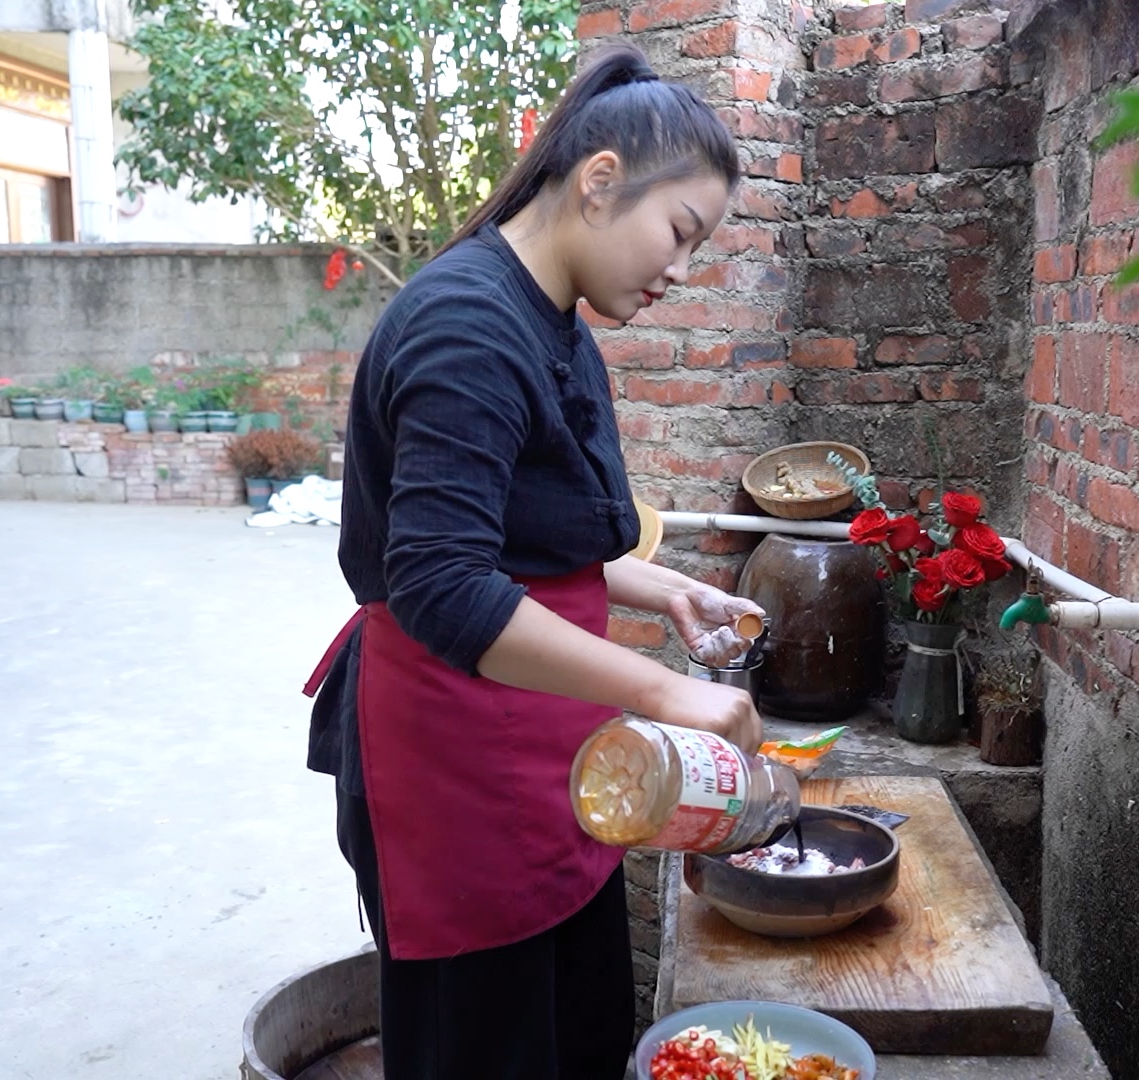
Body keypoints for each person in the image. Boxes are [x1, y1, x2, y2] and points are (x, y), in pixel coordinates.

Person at [301, 45, 766, 1080]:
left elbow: (520, 542)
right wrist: (664, 694)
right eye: (681, 233)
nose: (681, 271)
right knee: (489, 1048)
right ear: (600, 181)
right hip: (453, 763)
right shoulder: (467, 326)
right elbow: (440, 583)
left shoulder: (551, 320)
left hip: (546, 751)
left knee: (574, 1032)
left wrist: (659, 586)